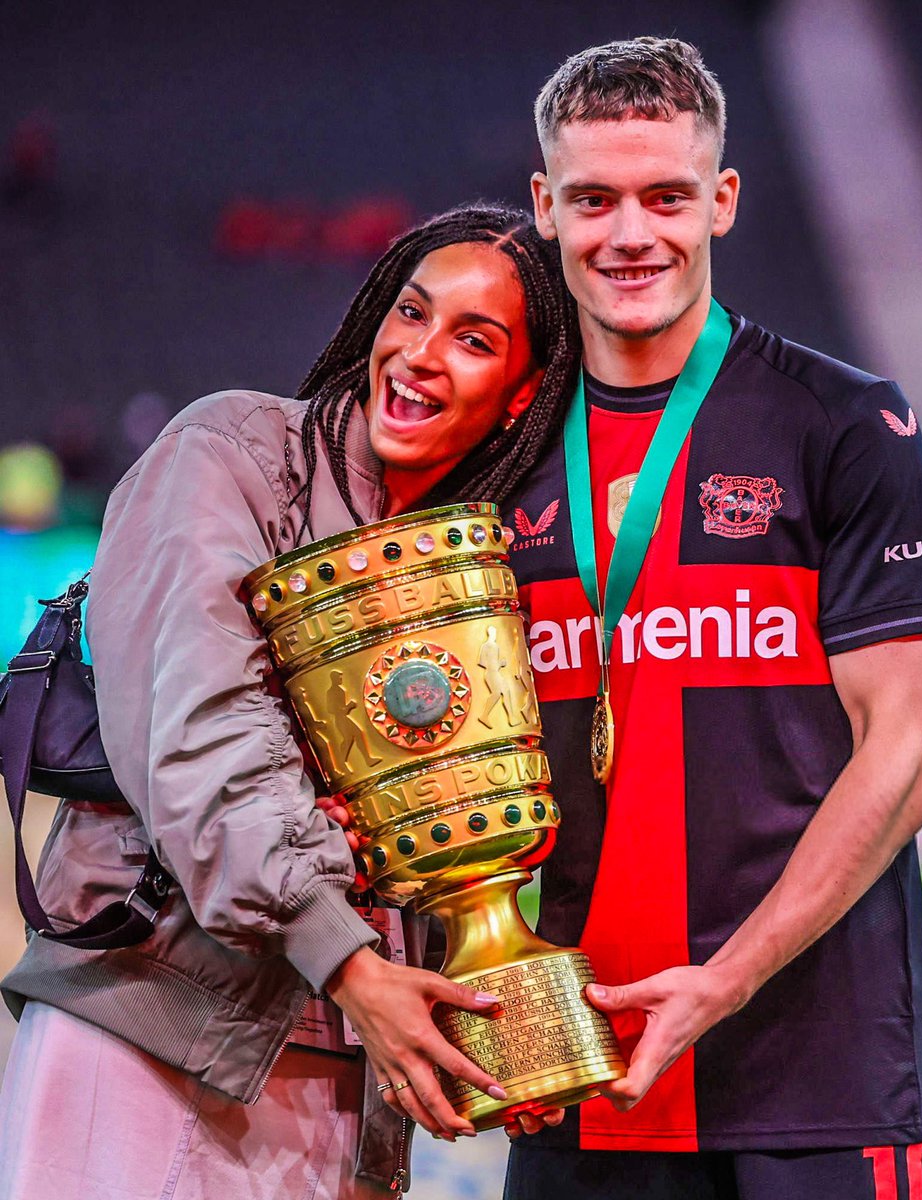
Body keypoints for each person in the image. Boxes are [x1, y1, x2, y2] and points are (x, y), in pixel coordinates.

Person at [0, 203, 579, 1199]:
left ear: (522, 392)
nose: (419, 354)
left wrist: (492, 1008)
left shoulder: (470, 546)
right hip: (156, 1040)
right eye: (409, 314)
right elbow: (204, 740)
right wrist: (349, 964)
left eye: (472, 340)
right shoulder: (228, 455)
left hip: (343, 1087)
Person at [501, 38, 922, 1200]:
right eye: (593, 200)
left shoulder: (841, 422)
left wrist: (723, 979)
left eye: (665, 195)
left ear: (721, 200)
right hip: (577, 1078)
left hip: (820, 1084)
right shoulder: (498, 457)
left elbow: (905, 757)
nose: (630, 235)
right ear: (545, 208)